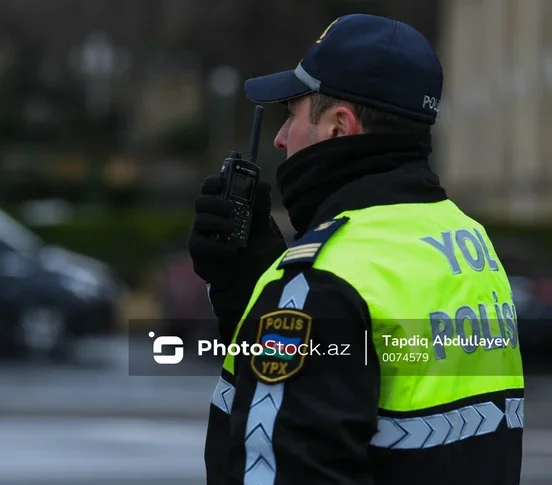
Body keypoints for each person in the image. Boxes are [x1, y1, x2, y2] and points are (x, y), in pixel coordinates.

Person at [188, 13, 524, 485]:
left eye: (294, 115)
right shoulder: (468, 241)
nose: (282, 139)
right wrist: (252, 294)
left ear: (339, 128)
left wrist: (286, 297)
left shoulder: (322, 280)